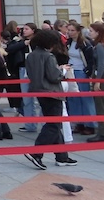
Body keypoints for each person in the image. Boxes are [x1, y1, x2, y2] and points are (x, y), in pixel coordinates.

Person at [23, 30, 78, 169]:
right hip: (52, 92)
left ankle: (62, 156)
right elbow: (54, 76)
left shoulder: (31, 56)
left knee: (53, 124)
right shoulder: (49, 56)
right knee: (54, 125)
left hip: (38, 91)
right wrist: (63, 70)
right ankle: (36, 152)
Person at [6, 22, 40, 131]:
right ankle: (30, 124)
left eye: (27, 29)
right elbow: (9, 49)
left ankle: (45, 124)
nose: (24, 31)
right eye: (23, 29)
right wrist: (24, 43)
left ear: (33, 30)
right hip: (23, 69)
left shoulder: (38, 41)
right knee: (26, 99)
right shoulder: (20, 41)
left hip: (36, 70)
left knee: (40, 98)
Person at [65, 23, 96, 135]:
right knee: (74, 98)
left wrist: (88, 71)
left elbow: (90, 60)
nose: (70, 32)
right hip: (71, 71)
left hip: (81, 71)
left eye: (72, 30)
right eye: (68, 30)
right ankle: (79, 123)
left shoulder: (85, 43)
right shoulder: (68, 42)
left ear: (78, 31)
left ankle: (90, 124)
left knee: (85, 98)